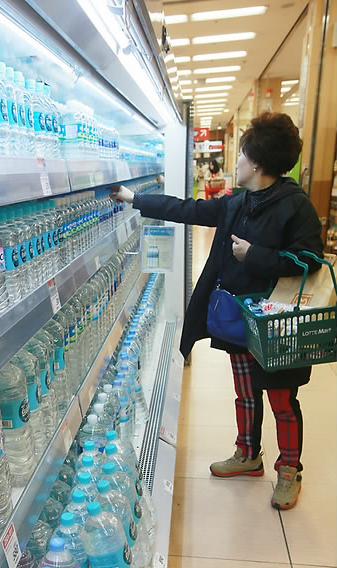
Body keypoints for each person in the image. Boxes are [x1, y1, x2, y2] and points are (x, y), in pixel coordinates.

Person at [110, 112, 324, 511]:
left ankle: (289, 470)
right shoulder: (236, 204)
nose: (236, 162)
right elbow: (187, 210)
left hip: (277, 324)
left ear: (256, 163)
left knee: (281, 399)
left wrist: (254, 255)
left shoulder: (296, 207)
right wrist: (133, 198)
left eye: (241, 154)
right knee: (245, 392)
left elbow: (310, 259)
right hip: (237, 320)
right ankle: (248, 454)